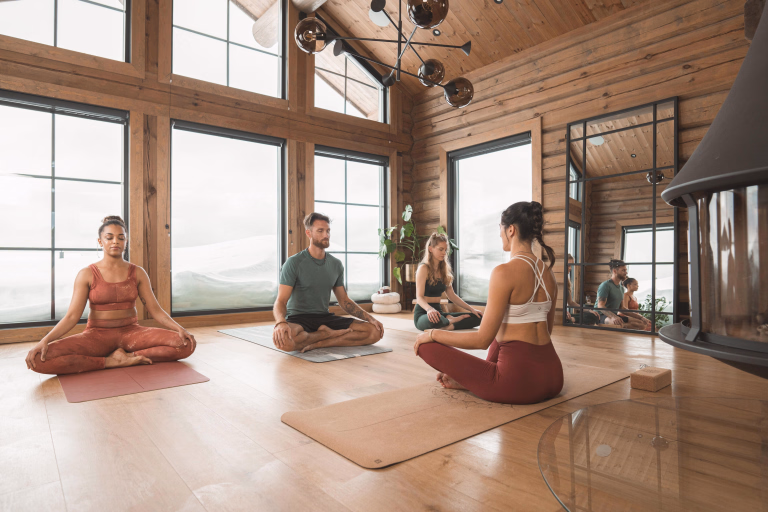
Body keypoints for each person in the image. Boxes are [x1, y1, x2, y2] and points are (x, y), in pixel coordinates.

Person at [413, 201, 563, 405]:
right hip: (554, 377)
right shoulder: (548, 274)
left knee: (425, 346)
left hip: (519, 384)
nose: (500, 234)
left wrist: (431, 334)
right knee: (499, 330)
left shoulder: (504, 272)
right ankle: (473, 381)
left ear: (511, 230)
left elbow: (481, 340)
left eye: (500, 229)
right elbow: (549, 329)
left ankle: (477, 381)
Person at [25, 216, 196, 375]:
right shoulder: (86, 274)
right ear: (100, 241)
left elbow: (156, 310)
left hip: (131, 333)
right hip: (97, 335)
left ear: (126, 242)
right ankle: (110, 361)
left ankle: (130, 355)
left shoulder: (138, 272)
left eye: (121, 238)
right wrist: (45, 340)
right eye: (109, 237)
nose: (116, 241)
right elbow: (71, 317)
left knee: (186, 345)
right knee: (39, 360)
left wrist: (179, 329)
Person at [272, 212, 384, 353]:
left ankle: (322, 342)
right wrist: (281, 323)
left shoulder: (336, 264)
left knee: (374, 332)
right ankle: (324, 335)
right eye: (320, 231)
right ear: (309, 233)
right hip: (298, 319)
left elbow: (344, 301)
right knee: (284, 342)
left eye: (328, 231)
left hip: (324, 318)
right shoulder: (293, 263)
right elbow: (280, 301)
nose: (326, 235)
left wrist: (371, 319)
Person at [413, 233, 483, 331]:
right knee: (434, 320)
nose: (444, 253)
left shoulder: (444, 270)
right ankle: (449, 322)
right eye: (440, 249)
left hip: (440, 313)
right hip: (423, 313)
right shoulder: (423, 268)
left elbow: (452, 296)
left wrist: (472, 309)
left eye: (445, 250)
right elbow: (419, 298)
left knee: (478, 318)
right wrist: (429, 309)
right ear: (430, 249)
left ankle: (448, 324)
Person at [596, 260, 649, 330]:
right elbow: (600, 306)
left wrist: (641, 317)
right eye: (623, 270)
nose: (626, 272)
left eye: (626, 270)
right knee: (618, 324)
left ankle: (622, 329)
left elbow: (622, 308)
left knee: (642, 324)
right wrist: (613, 317)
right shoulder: (605, 285)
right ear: (615, 271)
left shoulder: (621, 288)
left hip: (615, 316)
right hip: (601, 315)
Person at [565, 254, 599, 325]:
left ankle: (571, 319)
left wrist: (589, 310)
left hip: (567, 315)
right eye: (568, 265)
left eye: (571, 265)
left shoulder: (566, 282)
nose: (570, 268)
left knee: (593, 316)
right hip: (561, 314)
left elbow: (571, 303)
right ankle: (570, 320)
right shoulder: (556, 282)